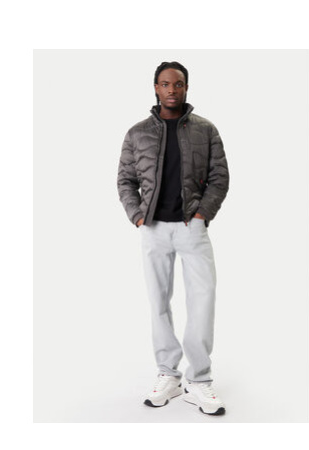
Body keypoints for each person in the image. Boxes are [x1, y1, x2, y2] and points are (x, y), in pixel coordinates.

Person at [117, 61, 230, 415]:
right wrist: (137, 216)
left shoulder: (205, 130)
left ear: (186, 87)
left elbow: (219, 176)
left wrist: (202, 214)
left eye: (178, 84)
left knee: (202, 300)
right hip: (152, 229)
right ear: (156, 87)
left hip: (191, 227)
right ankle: (168, 374)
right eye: (165, 84)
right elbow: (125, 180)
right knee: (158, 302)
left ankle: (200, 379)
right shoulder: (137, 133)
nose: (171, 90)